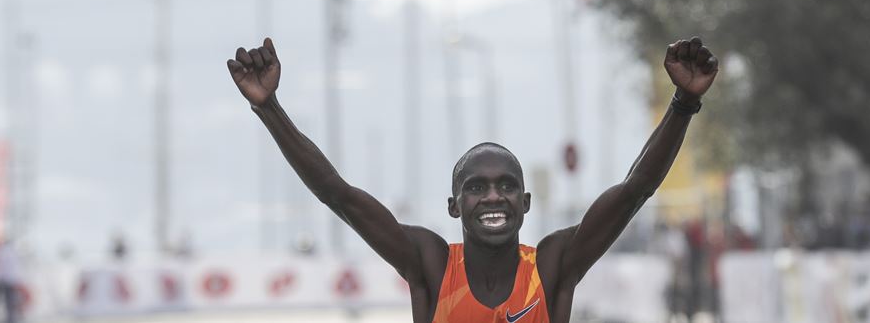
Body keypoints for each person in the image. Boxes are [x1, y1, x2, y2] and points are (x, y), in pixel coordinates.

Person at [227, 36, 718, 323]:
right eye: (476, 188)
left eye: (506, 186)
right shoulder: (431, 264)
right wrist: (268, 108)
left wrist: (684, 103)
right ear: (454, 206)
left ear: (525, 202)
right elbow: (339, 195)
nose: (493, 196)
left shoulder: (552, 266)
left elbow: (634, 192)